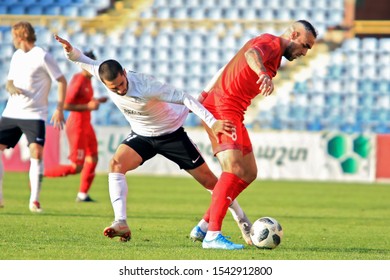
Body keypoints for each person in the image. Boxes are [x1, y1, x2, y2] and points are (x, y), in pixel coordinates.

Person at [54, 34, 252, 243]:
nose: (120, 90)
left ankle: (242, 220)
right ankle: (120, 221)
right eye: (114, 88)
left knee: (212, 182)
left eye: (122, 83)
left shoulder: (146, 84)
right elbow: (82, 60)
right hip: (142, 135)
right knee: (116, 164)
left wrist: (213, 122)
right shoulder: (102, 72)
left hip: (171, 134)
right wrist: (70, 51)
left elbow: (185, 97)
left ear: (124, 73)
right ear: (104, 82)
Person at [190, 20, 318, 250]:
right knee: (233, 170)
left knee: (248, 172)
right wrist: (262, 73)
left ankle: (203, 226)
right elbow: (251, 53)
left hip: (234, 112)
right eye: (305, 45)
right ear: (294, 33)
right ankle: (212, 235)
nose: (305, 52)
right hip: (222, 109)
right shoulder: (269, 42)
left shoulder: (277, 57)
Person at [0, 22, 67, 212]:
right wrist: (10, 86)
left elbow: (61, 80)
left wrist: (59, 107)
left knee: (36, 153)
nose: (12, 40)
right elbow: (10, 81)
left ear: (21, 36)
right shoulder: (17, 56)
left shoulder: (42, 55)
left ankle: (34, 200)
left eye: (14, 36)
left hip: (34, 114)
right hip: (12, 112)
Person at [44, 50, 108, 202]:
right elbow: (66, 105)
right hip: (77, 125)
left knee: (93, 158)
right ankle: (42, 173)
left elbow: (83, 101)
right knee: (76, 167)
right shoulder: (78, 80)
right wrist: (88, 106)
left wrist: (97, 100)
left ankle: (82, 194)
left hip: (87, 124)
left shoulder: (88, 81)